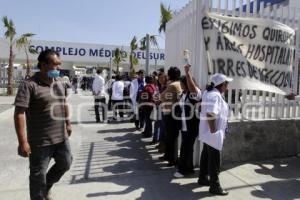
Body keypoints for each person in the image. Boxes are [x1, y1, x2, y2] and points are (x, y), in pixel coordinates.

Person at [14, 49, 72, 200]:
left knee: (65, 163)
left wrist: (68, 123)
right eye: (55, 64)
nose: (58, 68)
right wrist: (23, 142)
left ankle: (47, 186)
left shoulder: (59, 83)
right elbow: (19, 113)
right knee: (38, 177)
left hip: (61, 137)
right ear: (43, 64)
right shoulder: (28, 85)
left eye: (59, 64)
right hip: (40, 142)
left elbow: (64, 102)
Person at [198, 73, 232, 196]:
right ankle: (215, 186)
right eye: (226, 84)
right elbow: (210, 113)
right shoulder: (214, 96)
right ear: (222, 85)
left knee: (206, 155)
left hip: (209, 132)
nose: (227, 86)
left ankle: (202, 178)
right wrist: (214, 131)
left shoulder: (210, 93)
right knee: (214, 161)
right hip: (212, 132)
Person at [174, 65, 202, 178]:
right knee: (188, 148)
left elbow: (193, 89)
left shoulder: (194, 93)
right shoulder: (183, 94)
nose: (180, 85)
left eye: (182, 83)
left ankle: (182, 170)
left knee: (185, 148)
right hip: (184, 126)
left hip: (191, 127)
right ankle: (189, 168)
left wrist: (187, 73)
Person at [160, 66, 182, 166]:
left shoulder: (172, 85)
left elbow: (162, 97)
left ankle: (172, 159)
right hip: (176, 112)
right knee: (172, 136)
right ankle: (169, 156)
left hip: (169, 112)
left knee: (170, 137)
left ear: (170, 75)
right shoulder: (180, 83)